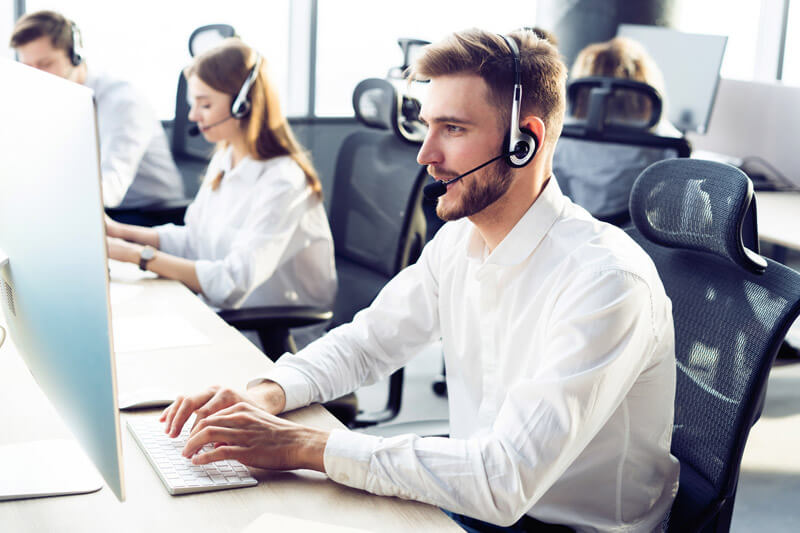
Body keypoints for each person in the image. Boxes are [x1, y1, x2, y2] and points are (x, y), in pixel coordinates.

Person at [161, 28, 678, 532]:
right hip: (476, 499)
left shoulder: (605, 281)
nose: (425, 154)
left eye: (452, 129)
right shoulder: (460, 242)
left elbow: (504, 479)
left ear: (525, 140)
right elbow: (367, 343)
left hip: (554, 522)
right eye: (427, 126)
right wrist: (267, 394)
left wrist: (301, 445)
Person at [105, 39, 336, 319]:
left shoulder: (284, 182)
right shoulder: (226, 158)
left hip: (267, 333)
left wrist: (134, 255)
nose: (192, 115)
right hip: (219, 315)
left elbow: (232, 283)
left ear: (244, 105)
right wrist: (120, 233)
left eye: (205, 105)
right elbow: (195, 241)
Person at [10, 10, 184, 212]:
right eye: (28, 66)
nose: (35, 75)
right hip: (100, 209)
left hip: (150, 212)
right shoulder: (53, 101)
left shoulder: (122, 102)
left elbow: (111, 187)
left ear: (75, 56)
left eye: (45, 64)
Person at [553, 36, 681, 226]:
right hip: (637, 237)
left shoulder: (563, 133)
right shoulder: (666, 138)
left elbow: (557, 192)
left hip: (579, 230)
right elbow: (677, 200)